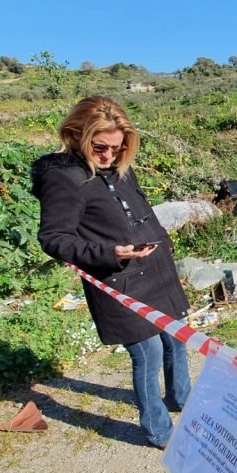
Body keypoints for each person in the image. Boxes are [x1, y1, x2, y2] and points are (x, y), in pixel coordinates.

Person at [30, 96, 190, 449]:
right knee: (146, 353)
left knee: (177, 336)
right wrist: (108, 253)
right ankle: (159, 432)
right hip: (119, 279)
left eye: (117, 149)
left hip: (156, 268)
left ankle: (183, 400)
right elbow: (53, 238)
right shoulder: (64, 178)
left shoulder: (119, 164)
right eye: (99, 147)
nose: (108, 157)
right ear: (75, 135)